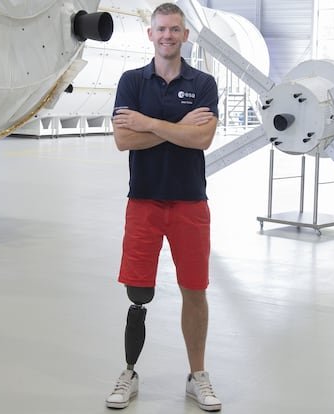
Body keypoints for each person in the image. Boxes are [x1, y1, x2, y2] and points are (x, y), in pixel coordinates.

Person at [106, 3, 221, 412]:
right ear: (150, 35)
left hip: (190, 201)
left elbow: (202, 140)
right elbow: (124, 141)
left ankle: (197, 376)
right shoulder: (131, 81)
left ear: (185, 35)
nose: (168, 35)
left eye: (175, 29)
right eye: (161, 29)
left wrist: (149, 123)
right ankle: (129, 373)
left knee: (196, 290)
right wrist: (178, 128)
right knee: (138, 292)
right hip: (144, 200)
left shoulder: (204, 82)